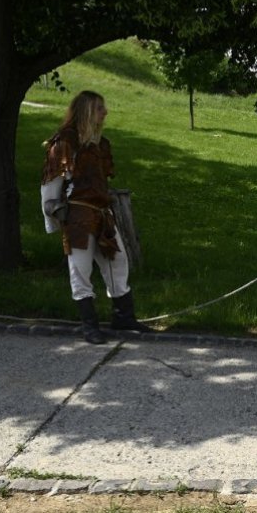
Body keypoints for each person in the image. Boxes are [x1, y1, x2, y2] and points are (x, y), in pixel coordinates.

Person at [40, 90, 152, 344]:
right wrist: (54, 217)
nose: (106, 112)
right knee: (80, 268)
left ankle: (123, 318)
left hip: (102, 213)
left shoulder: (101, 144)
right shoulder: (65, 142)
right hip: (78, 215)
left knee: (118, 261)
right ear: (88, 110)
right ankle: (89, 325)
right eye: (100, 108)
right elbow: (50, 186)